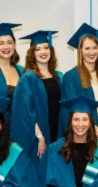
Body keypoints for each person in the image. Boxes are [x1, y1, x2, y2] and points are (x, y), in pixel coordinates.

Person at [12, 30, 63, 172]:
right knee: (40, 170)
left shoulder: (58, 77)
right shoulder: (28, 78)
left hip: (56, 132)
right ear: (32, 53)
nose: (43, 52)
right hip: (39, 134)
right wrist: (40, 137)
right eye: (38, 49)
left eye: (46, 47)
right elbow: (27, 111)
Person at [61, 23, 98, 144]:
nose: (92, 52)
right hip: (83, 134)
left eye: (95, 47)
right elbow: (75, 110)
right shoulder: (70, 77)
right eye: (87, 48)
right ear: (80, 51)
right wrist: (95, 130)